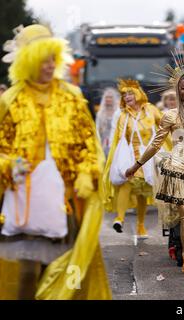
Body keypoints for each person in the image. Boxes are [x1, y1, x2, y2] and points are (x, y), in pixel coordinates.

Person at [0, 24, 110, 300]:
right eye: (43, 59)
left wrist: (87, 173)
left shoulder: (71, 97)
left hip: (66, 200)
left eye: (53, 58)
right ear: (28, 62)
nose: (50, 66)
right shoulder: (10, 101)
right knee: (26, 273)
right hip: (24, 200)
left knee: (63, 268)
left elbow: (88, 143)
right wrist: (9, 166)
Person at [125, 57, 184, 281]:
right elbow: (156, 144)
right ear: (178, 92)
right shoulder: (170, 115)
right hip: (178, 170)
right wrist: (136, 164)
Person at [103, 79, 171, 238]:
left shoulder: (151, 110)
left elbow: (165, 127)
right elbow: (118, 138)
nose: (127, 97)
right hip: (131, 156)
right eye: (124, 95)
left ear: (138, 94)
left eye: (130, 93)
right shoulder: (122, 115)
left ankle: (141, 225)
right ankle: (119, 218)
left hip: (149, 155)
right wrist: (116, 158)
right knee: (127, 183)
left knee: (143, 192)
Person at [96, 87, 120, 156]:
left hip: (116, 140)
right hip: (103, 141)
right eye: (107, 97)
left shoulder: (118, 112)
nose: (108, 99)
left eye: (110, 97)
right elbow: (97, 128)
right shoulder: (100, 113)